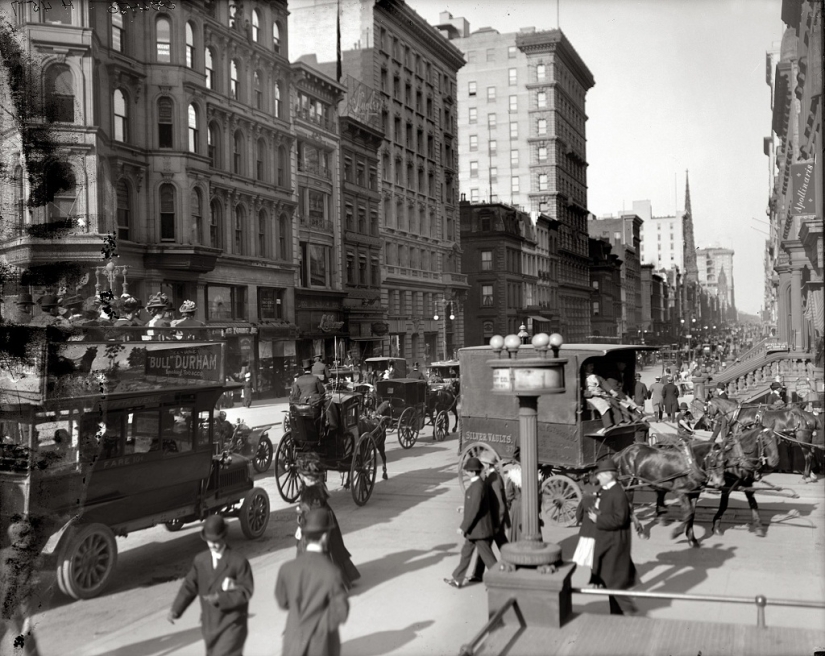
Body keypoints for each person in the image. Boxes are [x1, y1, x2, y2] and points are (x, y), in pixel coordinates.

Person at [168, 515, 254, 656]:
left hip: (231, 626)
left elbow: (246, 591)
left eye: (216, 541)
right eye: (209, 541)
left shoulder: (238, 562)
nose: (212, 545)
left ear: (224, 537)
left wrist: (220, 598)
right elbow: (189, 585)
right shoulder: (200, 560)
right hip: (210, 626)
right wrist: (176, 609)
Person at [275, 508, 350, 656]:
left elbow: (283, 602)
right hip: (321, 645)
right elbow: (341, 612)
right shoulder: (332, 572)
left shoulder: (286, 569)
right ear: (325, 537)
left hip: (293, 641)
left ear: (305, 536)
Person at [295, 455, 360, 589]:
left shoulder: (313, 492)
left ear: (311, 478)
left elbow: (313, 508)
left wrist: (302, 516)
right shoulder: (315, 488)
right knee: (330, 550)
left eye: (305, 477)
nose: (303, 479)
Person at [587, 459, 637, 616]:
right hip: (607, 540)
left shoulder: (618, 493)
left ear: (609, 475)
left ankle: (627, 610)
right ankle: (617, 613)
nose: (598, 477)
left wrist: (598, 519)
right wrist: (597, 512)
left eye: (600, 474)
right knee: (610, 580)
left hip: (614, 544)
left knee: (611, 579)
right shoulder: (606, 490)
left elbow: (620, 519)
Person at [444, 457, 497, 589]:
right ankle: (457, 579)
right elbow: (474, 505)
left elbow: (474, 509)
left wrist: (463, 527)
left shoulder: (477, 486)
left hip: (478, 529)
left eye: (468, 470)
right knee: (466, 553)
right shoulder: (478, 484)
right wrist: (464, 509)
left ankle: (498, 580)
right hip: (476, 529)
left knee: (487, 557)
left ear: (473, 472)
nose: (466, 472)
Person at [0, 517, 41, 656]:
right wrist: (28, 620)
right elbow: (23, 593)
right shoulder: (24, 559)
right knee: (28, 642)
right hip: (12, 610)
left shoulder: (3, 554)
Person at [469, 460, 510, 583]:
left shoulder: (494, 480)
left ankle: (508, 572)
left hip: (495, 521)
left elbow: (501, 505)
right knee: (485, 546)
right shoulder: (492, 477)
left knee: (501, 548)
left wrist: (497, 524)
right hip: (493, 520)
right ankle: (477, 574)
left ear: (487, 465)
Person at [572, 476, 600, 584]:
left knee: (588, 555)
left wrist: (580, 520)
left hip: (586, 532)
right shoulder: (601, 501)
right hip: (598, 532)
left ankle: (592, 577)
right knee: (596, 556)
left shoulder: (584, 500)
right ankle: (596, 577)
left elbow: (578, 514)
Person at [583, 362, 618, 435]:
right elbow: (580, 391)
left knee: (612, 401)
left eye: (592, 365)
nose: (592, 367)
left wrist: (612, 391)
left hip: (600, 394)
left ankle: (617, 422)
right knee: (604, 404)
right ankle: (608, 426)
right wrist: (592, 393)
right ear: (585, 366)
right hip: (590, 397)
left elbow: (604, 383)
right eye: (590, 365)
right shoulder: (582, 377)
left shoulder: (596, 376)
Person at [505, 465, 522, 542]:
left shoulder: (513, 476)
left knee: (516, 530)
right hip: (531, 507)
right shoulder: (535, 475)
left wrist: (508, 506)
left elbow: (508, 495)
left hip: (517, 507)